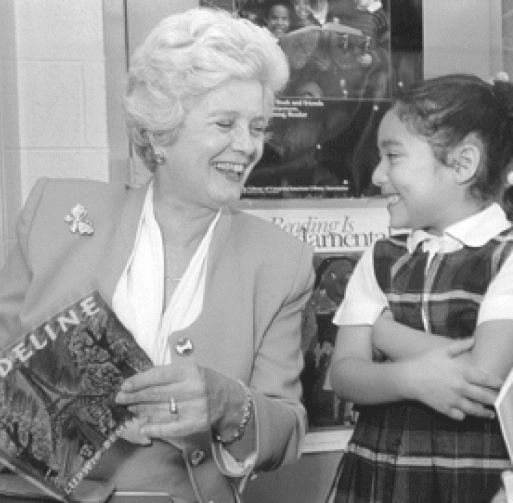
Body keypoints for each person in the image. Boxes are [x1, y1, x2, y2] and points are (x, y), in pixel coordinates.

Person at [0, 8, 314, 503]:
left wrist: (230, 404)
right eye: (225, 123)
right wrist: (70, 409)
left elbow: (288, 430)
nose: (247, 146)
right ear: (160, 132)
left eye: (257, 127)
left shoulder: (281, 260)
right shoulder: (53, 213)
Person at [327, 74, 513, 502]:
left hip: (471, 483)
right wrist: (411, 379)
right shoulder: (381, 256)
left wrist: (384, 334)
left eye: (393, 156)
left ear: (462, 163)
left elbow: (479, 378)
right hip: (378, 478)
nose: (378, 174)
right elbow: (344, 375)